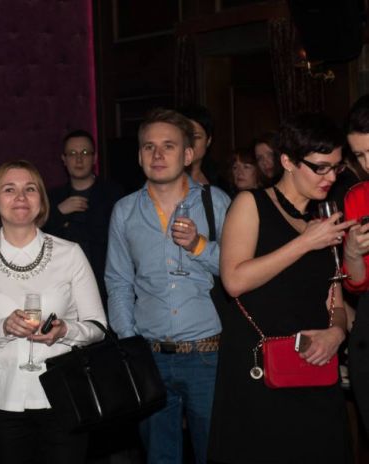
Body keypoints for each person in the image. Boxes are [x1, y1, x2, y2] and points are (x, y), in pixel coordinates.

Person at [208, 113, 353, 463]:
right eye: (320, 167)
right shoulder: (251, 203)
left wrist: (336, 333)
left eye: (336, 167)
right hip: (259, 370)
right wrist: (305, 243)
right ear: (287, 161)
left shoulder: (321, 220)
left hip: (314, 367)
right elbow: (234, 280)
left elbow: (336, 302)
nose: (331, 177)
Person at [0, 160, 107, 464]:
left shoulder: (70, 253)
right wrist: (3, 328)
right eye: (9, 189)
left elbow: (98, 327)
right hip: (2, 399)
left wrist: (66, 330)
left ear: (41, 201)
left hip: (65, 397)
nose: (21, 197)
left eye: (30, 189)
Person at [105, 108, 230, 464]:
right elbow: (118, 281)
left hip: (209, 355)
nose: (157, 155)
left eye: (168, 146)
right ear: (139, 156)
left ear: (188, 155)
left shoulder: (216, 202)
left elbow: (239, 271)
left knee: (215, 453)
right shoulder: (125, 210)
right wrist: (130, 343)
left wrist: (199, 246)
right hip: (150, 356)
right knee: (159, 457)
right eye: (149, 147)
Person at [45, 129, 123, 307]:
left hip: (104, 286)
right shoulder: (53, 198)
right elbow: (41, 238)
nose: (79, 159)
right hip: (62, 287)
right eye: (72, 153)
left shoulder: (112, 193)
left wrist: (70, 227)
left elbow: (117, 240)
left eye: (85, 153)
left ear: (94, 158)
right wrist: (59, 212)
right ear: (64, 159)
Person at [343, 95, 369, 437]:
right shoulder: (358, 197)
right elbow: (358, 283)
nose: (368, 164)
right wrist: (351, 251)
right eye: (361, 156)